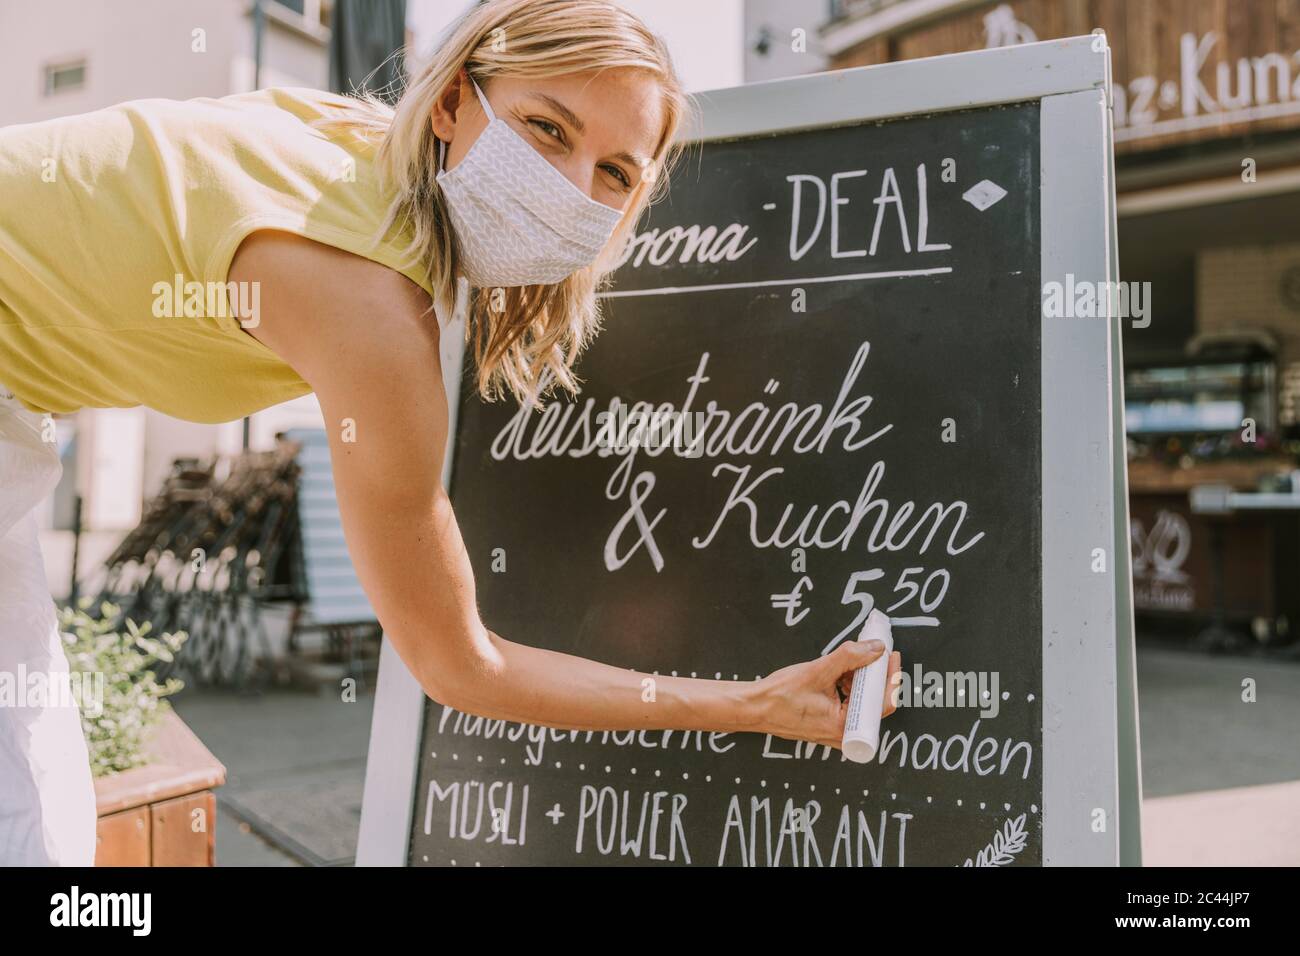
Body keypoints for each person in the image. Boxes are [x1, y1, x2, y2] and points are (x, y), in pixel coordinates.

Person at [0, 0, 900, 865]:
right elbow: (461, 664)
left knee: (35, 811)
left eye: (616, 173)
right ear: (452, 101)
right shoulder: (367, 307)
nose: (570, 188)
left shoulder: (352, 149)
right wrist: (755, 704)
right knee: (34, 827)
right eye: (547, 128)